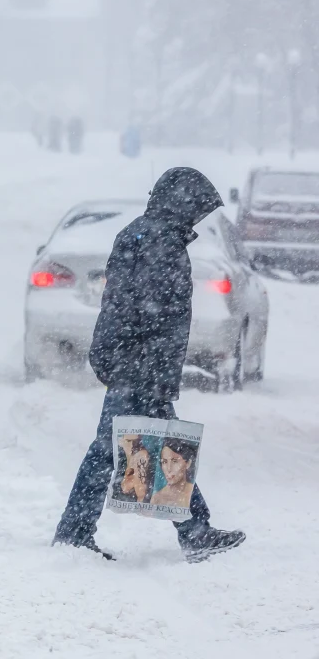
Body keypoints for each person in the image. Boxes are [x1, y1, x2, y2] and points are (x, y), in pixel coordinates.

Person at [52, 167, 246, 563]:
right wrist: (149, 369)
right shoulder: (160, 241)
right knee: (118, 449)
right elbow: (148, 314)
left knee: (158, 444)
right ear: (182, 204)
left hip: (132, 361)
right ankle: (76, 535)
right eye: (198, 209)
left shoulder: (146, 233)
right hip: (138, 365)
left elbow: (131, 309)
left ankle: (194, 530)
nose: (199, 217)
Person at [151, 438, 198, 510]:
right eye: (164, 462)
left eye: (175, 461)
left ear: (188, 463)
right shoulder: (157, 498)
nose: (169, 469)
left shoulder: (193, 493)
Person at [116, 434, 152, 503]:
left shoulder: (140, 456)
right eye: (128, 441)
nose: (132, 445)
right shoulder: (121, 456)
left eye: (135, 442)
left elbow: (141, 492)